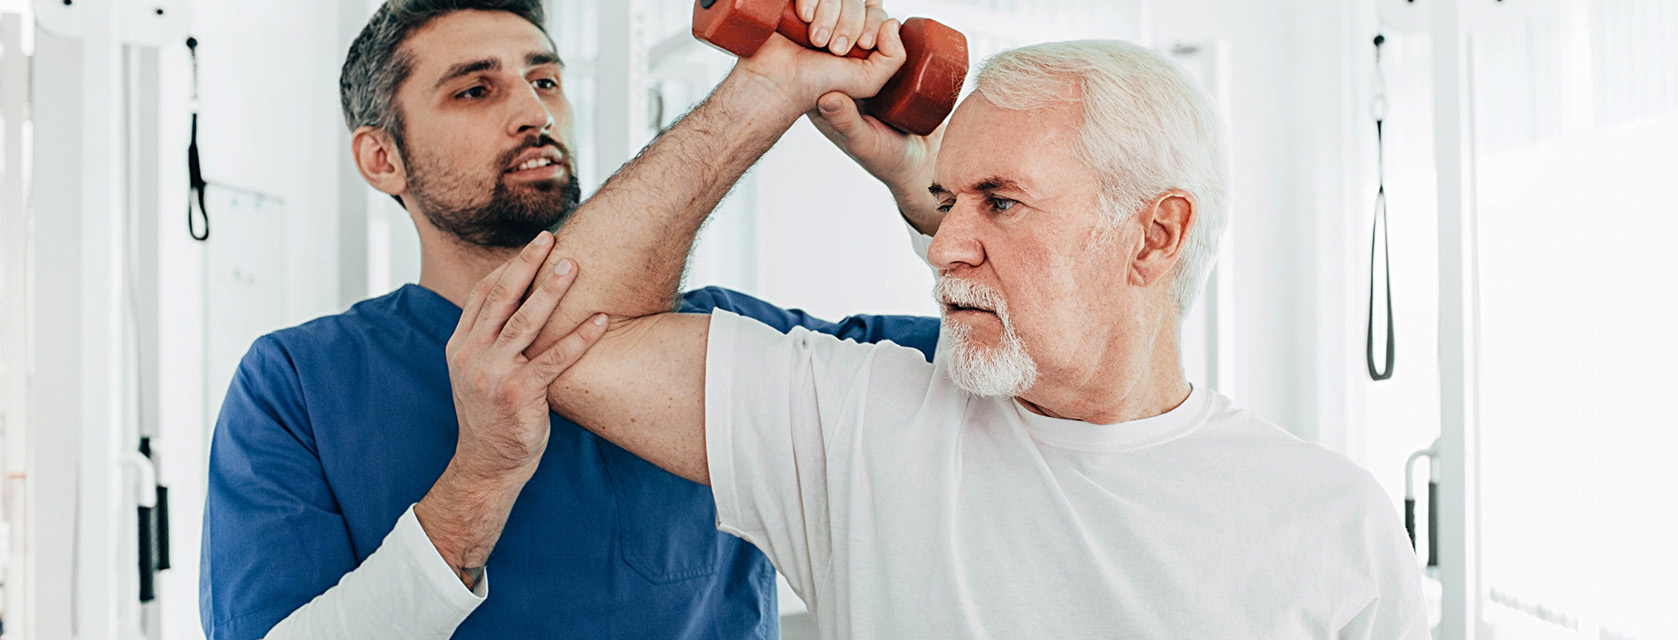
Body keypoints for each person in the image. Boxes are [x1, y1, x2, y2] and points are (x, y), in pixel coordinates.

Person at [486, 40, 1429, 638]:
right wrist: (774, 84)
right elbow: (555, 332)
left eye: (1000, 202)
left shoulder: (1330, 527)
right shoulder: (859, 423)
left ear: (1154, 235)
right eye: (945, 200)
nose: (943, 244)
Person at [198, 0, 941, 638]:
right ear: (381, 158)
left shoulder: (724, 343)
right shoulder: (296, 383)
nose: (533, 112)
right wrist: (479, 480)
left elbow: (1012, 379)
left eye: (545, 80)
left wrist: (926, 186)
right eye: (474, 91)